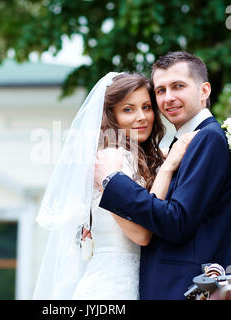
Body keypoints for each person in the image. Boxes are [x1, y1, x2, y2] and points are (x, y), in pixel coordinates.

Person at [33, 72, 198, 299]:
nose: (141, 117)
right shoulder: (111, 160)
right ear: (112, 116)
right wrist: (168, 166)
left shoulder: (145, 159)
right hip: (108, 288)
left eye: (147, 107)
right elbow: (141, 234)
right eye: (128, 109)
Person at [95, 51, 231, 300]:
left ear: (204, 91)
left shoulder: (208, 138)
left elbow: (177, 221)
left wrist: (112, 181)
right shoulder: (183, 144)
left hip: (183, 288)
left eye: (178, 86)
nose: (168, 98)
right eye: (160, 90)